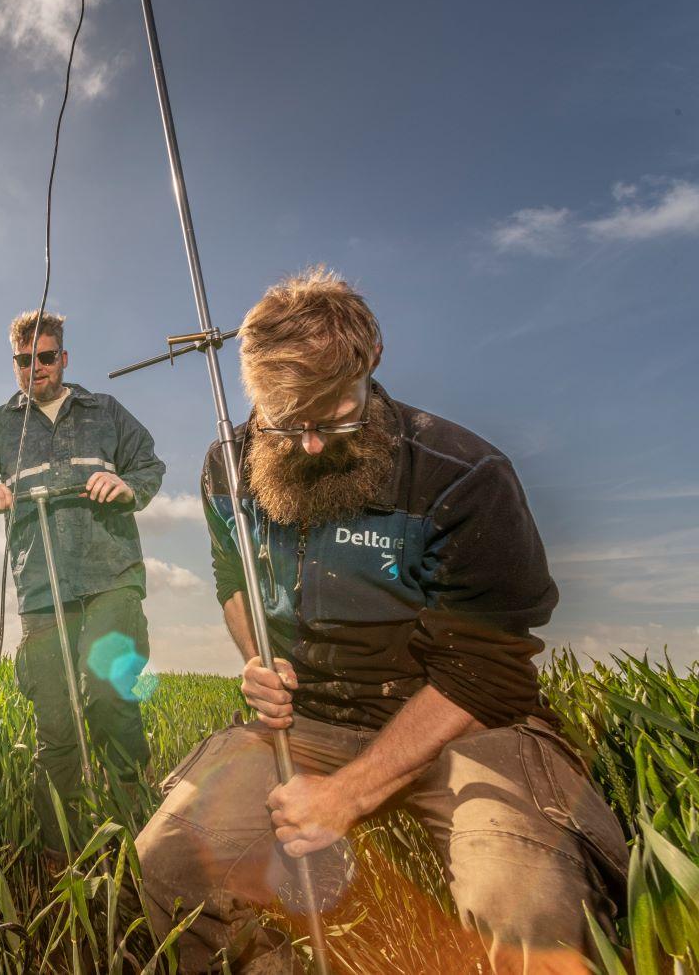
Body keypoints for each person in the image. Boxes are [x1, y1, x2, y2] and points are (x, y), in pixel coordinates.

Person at [134, 267, 627, 973]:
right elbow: (231, 578)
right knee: (171, 859)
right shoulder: (229, 465)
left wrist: (348, 793)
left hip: (463, 726)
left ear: (371, 368)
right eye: (283, 418)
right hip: (310, 722)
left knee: (527, 910)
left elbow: (484, 667)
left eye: (332, 415)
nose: (307, 443)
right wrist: (258, 657)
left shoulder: (464, 473)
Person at [0, 310, 165, 861]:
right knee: (56, 724)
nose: (36, 368)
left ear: (63, 358)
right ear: (14, 363)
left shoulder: (104, 411)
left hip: (110, 573)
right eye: (25, 360)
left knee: (115, 699)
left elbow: (148, 464)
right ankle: (61, 855)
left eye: (46, 357)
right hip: (41, 585)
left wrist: (126, 484)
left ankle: (138, 838)